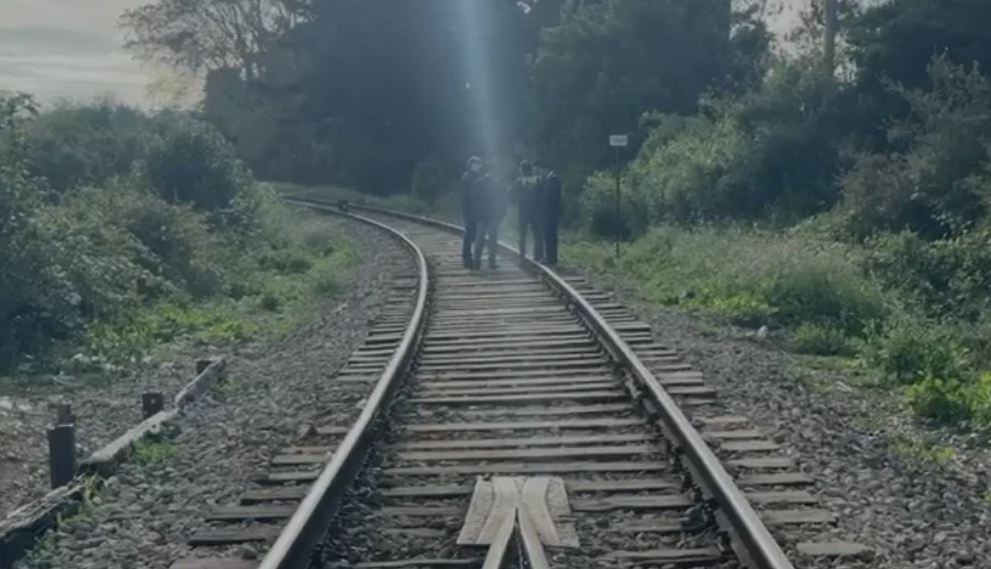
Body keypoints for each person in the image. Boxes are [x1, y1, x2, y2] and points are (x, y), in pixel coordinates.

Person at [472, 161, 507, 270]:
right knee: (492, 239)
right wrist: (502, 213)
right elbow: (503, 200)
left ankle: (476, 261)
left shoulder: (478, 182)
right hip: (493, 215)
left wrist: (475, 213)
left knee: (480, 238)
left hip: (482, 215)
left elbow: (473, 199)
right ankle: (491, 261)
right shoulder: (498, 183)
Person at [509, 160, 544, 263]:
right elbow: (542, 194)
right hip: (535, 211)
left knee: (522, 234)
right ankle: (538, 255)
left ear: (522, 170)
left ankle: (522, 257)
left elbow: (510, 193)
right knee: (537, 233)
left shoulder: (520, 181)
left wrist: (515, 202)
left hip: (523, 211)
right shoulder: (537, 180)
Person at [534, 160, 562, 266]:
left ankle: (551, 258)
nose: (537, 173)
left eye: (538, 170)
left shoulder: (553, 179)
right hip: (549, 213)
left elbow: (549, 197)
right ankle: (550, 257)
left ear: (543, 169)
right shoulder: (549, 179)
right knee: (549, 235)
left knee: (550, 235)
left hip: (551, 213)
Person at [460, 156, 484, 268]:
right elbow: (465, 196)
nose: (479, 166)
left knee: (474, 234)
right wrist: (466, 212)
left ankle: (471, 257)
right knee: (469, 235)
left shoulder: (478, 176)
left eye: (479, 164)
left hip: (477, 210)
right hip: (470, 210)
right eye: (477, 164)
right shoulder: (467, 177)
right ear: (471, 165)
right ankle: (466, 257)